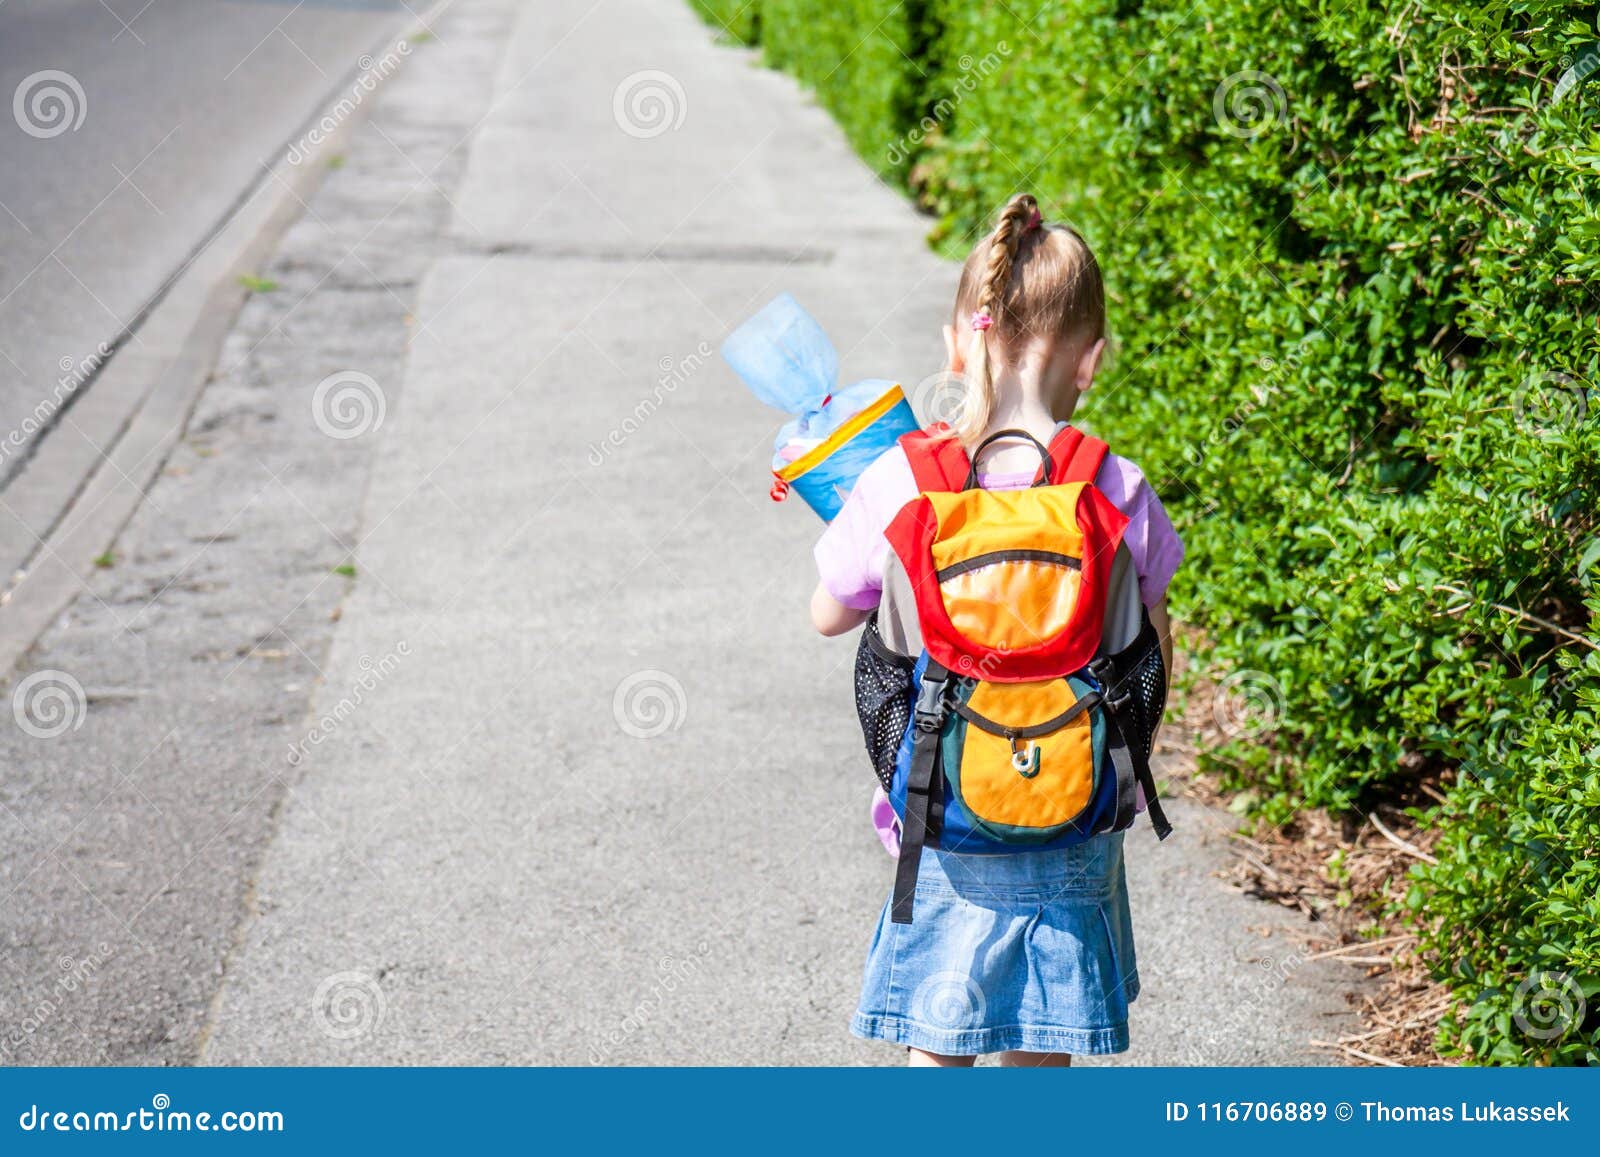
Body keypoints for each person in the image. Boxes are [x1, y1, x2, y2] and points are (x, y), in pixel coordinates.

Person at [810, 193, 1184, 1067]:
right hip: (1076, 814)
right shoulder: (1115, 487)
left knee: (938, 1048)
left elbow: (829, 613)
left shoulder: (906, 478)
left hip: (941, 819)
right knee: (1038, 1050)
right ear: (1092, 360)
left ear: (958, 343)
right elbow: (1153, 648)